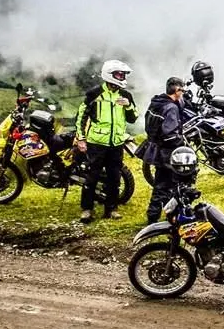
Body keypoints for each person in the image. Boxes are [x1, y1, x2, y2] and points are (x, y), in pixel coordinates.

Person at [76, 59, 137, 223]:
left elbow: (133, 118)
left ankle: (112, 209)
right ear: (109, 75)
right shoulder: (94, 94)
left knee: (114, 177)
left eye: (123, 74)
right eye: (119, 74)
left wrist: (128, 106)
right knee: (92, 176)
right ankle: (87, 209)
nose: (122, 77)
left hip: (116, 143)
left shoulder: (126, 95)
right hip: (96, 143)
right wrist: (81, 138)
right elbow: (81, 116)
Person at [142, 77, 188, 224]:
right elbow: (170, 135)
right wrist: (183, 144)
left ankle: (155, 215)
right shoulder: (171, 108)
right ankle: (164, 216)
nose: (183, 94)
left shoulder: (156, 103)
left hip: (156, 149)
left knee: (161, 184)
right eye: (182, 90)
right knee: (170, 185)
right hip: (167, 153)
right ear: (177, 90)